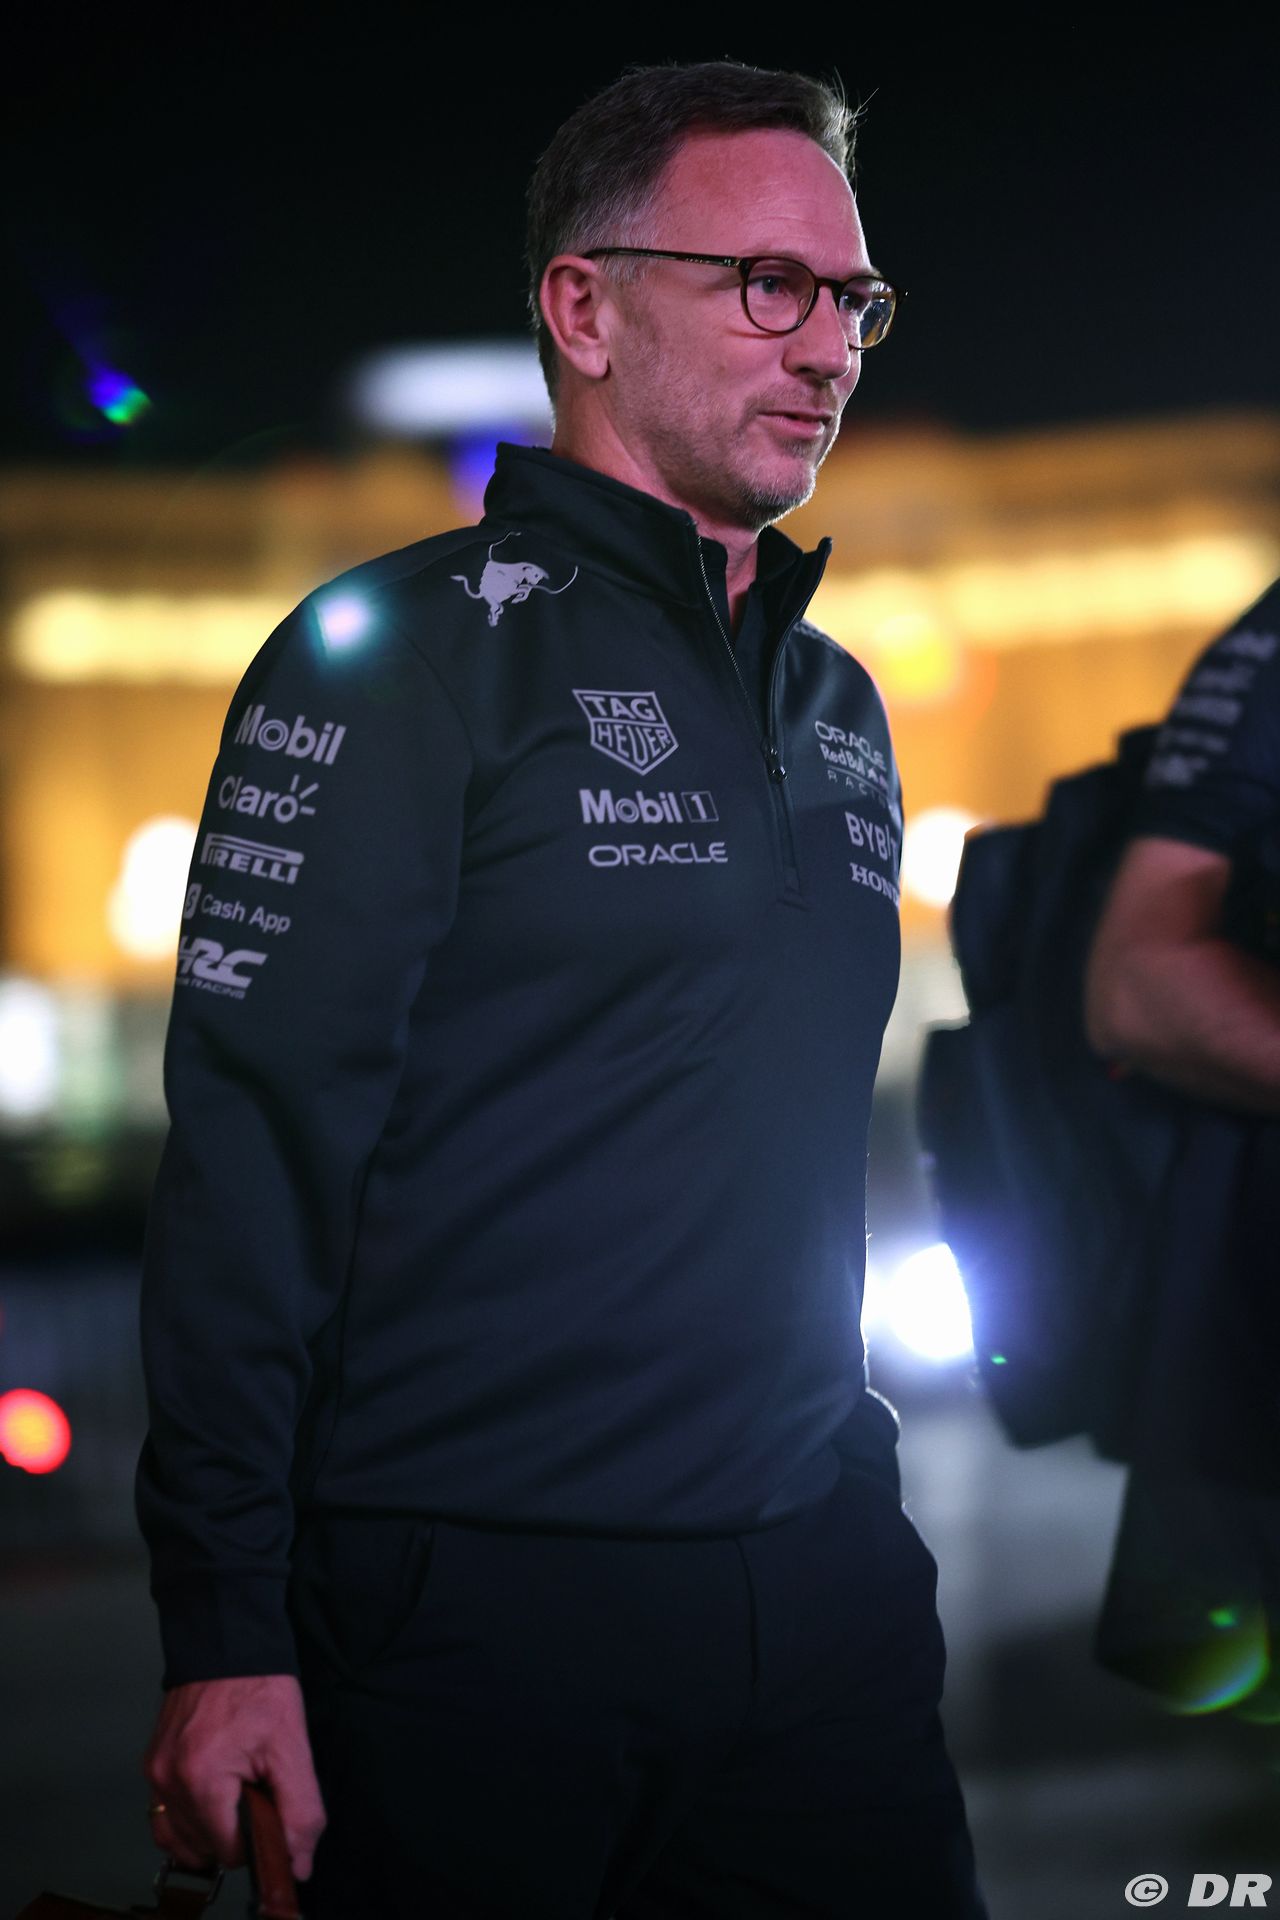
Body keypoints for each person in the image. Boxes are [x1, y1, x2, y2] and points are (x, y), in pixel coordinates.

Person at [138, 60, 987, 1919]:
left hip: (821, 1597)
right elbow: (249, 1166)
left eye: (850, 297)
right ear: (584, 310)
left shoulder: (837, 704)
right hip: (472, 1632)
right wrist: (225, 1627)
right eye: (766, 285)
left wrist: (860, 1516)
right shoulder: (394, 661)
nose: (826, 347)